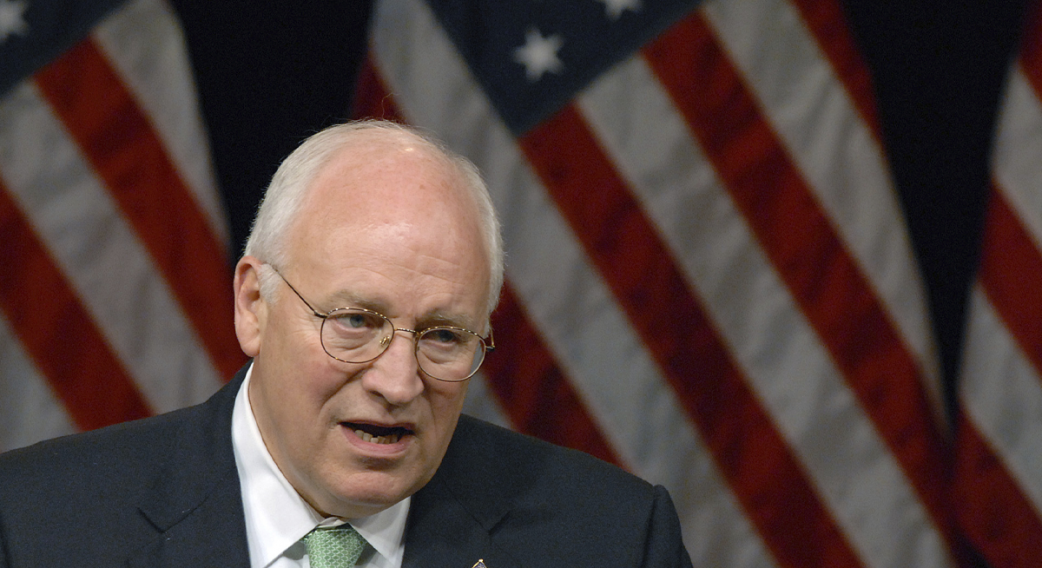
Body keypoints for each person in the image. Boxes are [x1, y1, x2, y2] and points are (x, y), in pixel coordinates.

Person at [0, 121, 692, 567]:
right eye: (356, 321)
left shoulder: (613, 542)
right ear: (254, 306)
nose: (398, 383)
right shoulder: (35, 528)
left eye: (442, 335)